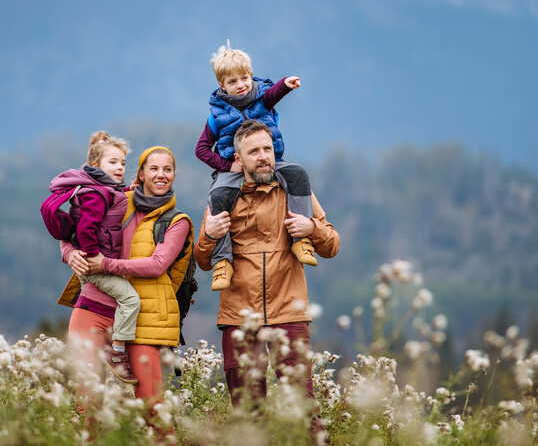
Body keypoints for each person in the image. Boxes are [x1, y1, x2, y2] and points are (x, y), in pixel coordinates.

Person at [193, 120, 340, 439]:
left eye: (267, 149)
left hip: (288, 313)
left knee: (303, 406)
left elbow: (332, 245)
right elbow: (203, 261)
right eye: (254, 151)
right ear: (238, 158)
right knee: (248, 411)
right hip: (238, 317)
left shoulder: (296, 191)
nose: (263, 157)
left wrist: (311, 230)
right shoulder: (221, 196)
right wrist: (208, 234)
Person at [57, 146, 194, 418]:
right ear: (140, 174)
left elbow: (157, 265)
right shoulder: (115, 198)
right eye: (153, 169)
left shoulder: (177, 222)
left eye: (167, 170)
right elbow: (71, 228)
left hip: (141, 321)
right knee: (87, 403)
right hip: (93, 308)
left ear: (175, 175)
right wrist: (69, 253)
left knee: (152, 406)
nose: (161, 175)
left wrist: (105, 264)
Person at [195, 41, 317, 293]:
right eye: (233, 81)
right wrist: (228, 166)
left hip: (271, 163)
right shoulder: (216, 114)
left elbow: (274, 93)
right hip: (235, 170)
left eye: (245, 78)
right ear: (222, 86)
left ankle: (301, 239)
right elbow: (202, 149)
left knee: (298, 175)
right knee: (217, 196)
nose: (241, 85)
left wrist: (286, 84)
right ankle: (222, 262)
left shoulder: (263, 97)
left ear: (252, 77)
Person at [48, 130, 139, 384]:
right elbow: (81, 229)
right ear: (95, 165)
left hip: (97, 274)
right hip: (95, 275)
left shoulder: (108, 191)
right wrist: (80, 253)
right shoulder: (97, 193)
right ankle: (117, 352)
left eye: (122, 163)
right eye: (113, 162)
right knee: (130, 299)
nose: (120, 168)